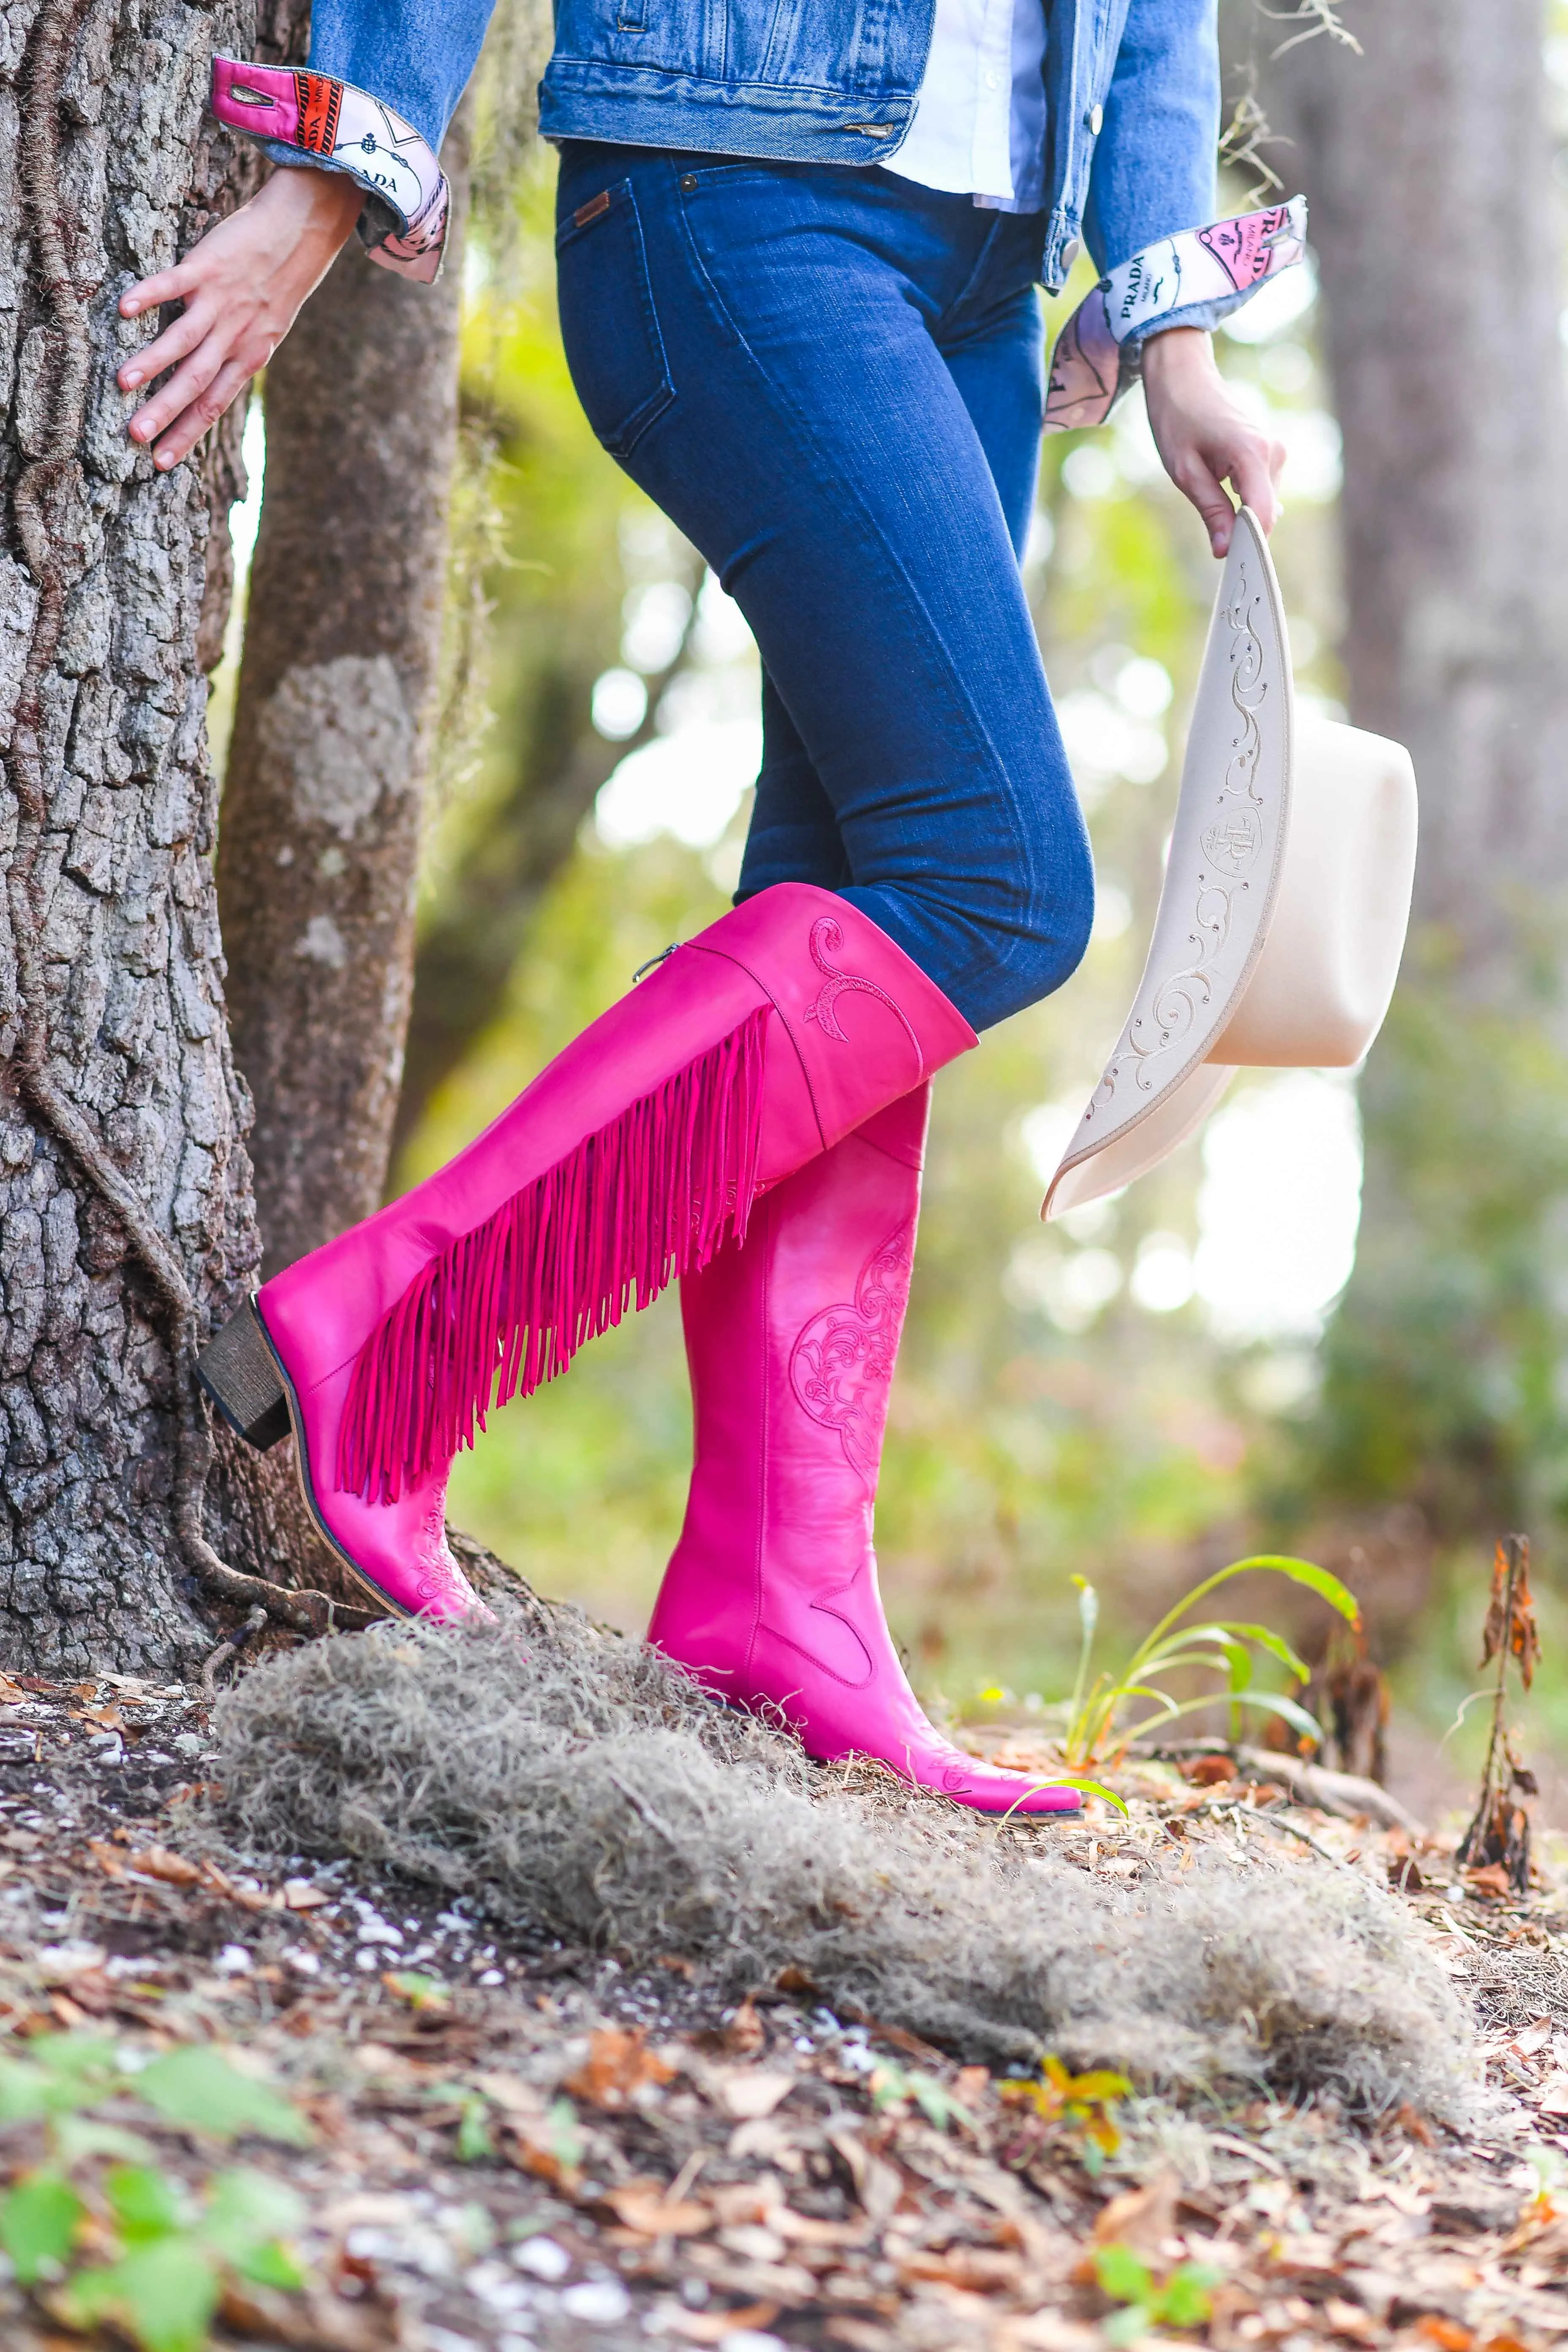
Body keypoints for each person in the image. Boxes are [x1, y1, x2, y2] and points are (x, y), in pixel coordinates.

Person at [134, 0, 1291, 1820]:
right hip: (733, 194)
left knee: (868, 891)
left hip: (986, 276)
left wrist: (1180, 332)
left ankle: (783, 1597)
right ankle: (383, 1336)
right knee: (997, 883)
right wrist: (341, 160)